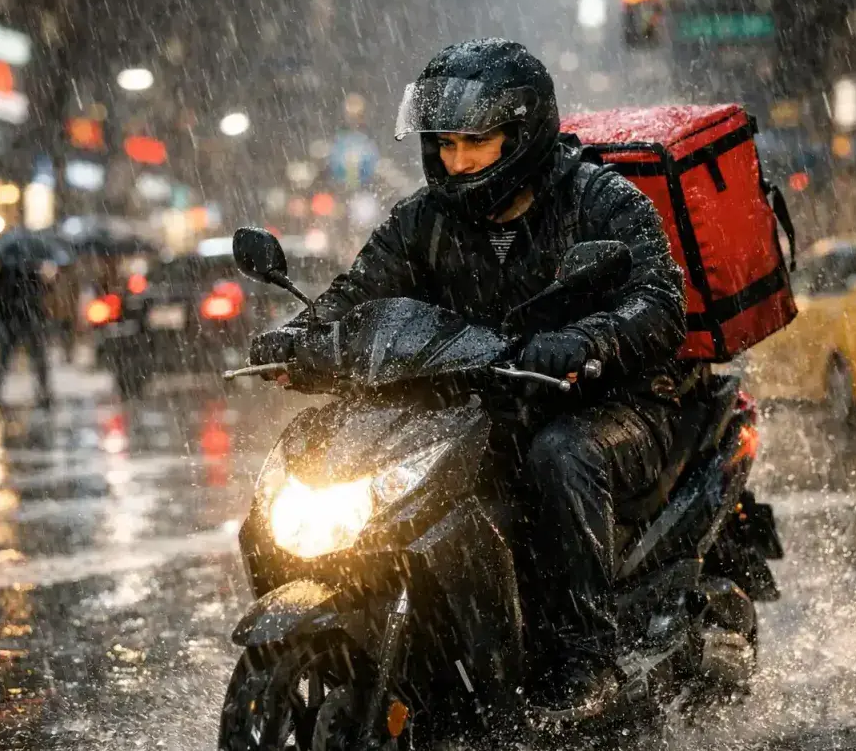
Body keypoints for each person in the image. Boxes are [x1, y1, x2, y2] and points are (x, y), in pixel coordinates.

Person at [249, 38, 686, 715]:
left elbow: (659, 305)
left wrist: (582, 341)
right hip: (483, 402)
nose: (457, 161)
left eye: (474, 144)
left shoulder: (600, 200)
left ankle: (586, 656)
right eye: (445, 144)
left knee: (558, 455)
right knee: (346, 453)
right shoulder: (424, 218)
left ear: (523, 134)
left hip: (610, 403)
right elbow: (359, 291)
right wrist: (303, 337)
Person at [0, 258, 53, 408]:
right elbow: (37, 292)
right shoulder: (25, 269)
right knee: (23, 355)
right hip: (19, 318)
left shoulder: (7, 269)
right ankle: (41, 389)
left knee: (11, 356)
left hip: (17, 318)